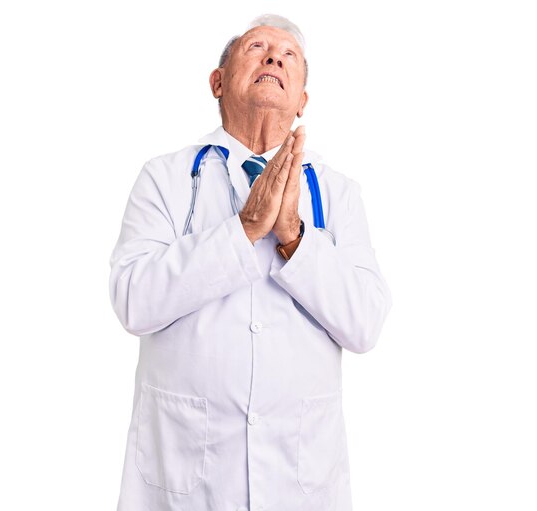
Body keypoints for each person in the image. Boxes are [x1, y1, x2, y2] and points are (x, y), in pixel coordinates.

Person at [108, 13, 392, 511]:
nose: (274, 57)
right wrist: (243, 230)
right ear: (218, 82)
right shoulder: (165, 178)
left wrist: (294, 238)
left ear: (302, 100)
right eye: (257, 47)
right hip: (185, 481)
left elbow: (365, 323)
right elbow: (134, 301)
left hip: (300, 482)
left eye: (289, 57)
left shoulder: (339, 193)